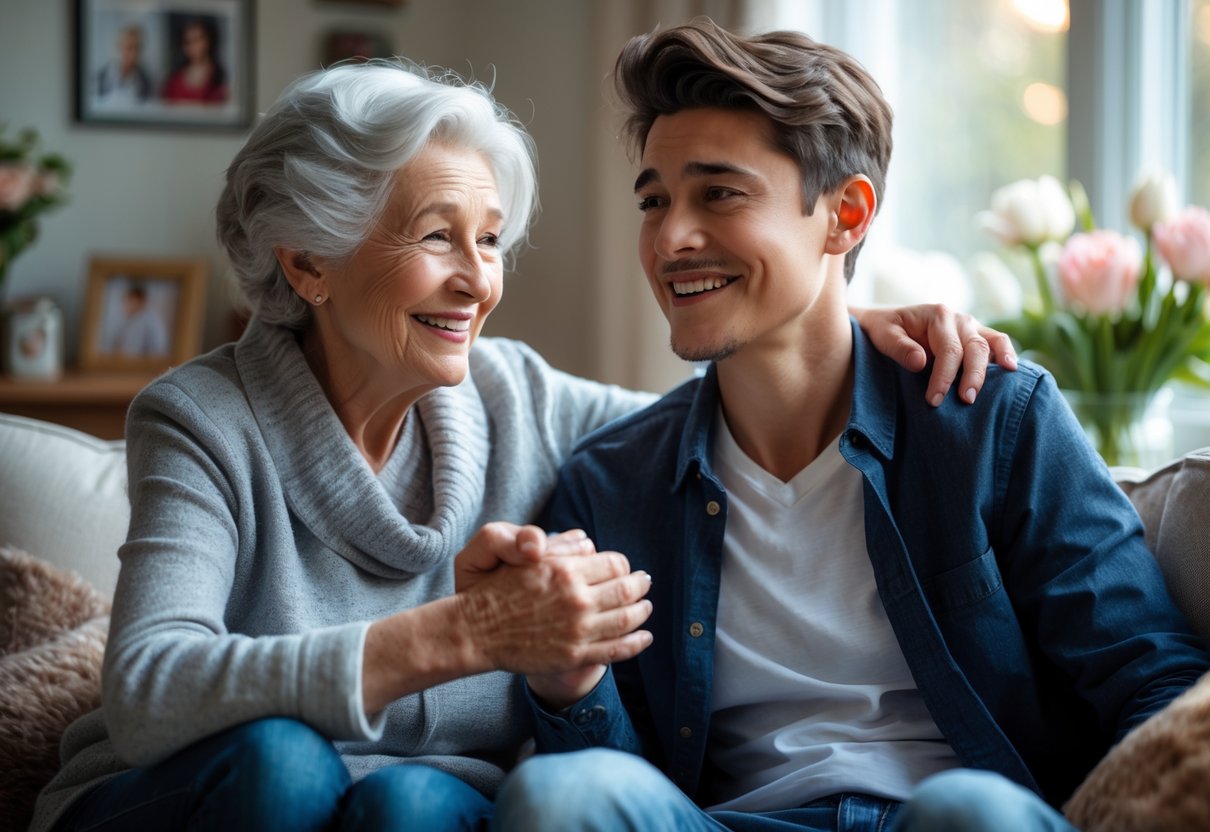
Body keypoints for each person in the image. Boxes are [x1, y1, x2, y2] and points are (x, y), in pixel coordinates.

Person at [33, 58, 1007, 832]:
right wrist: (461, 637)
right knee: (284, 761)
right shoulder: (203, 415)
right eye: (435, 237)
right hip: (201, 794)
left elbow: (726, 406)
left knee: (410, 800)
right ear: (308, 261)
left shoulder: (520, 398)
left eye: (489, 240)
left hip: (420, 805)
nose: (474, 281)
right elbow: (150, 691)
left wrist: (836, 313)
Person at [496, 18, 1210, 832]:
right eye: (653, 200)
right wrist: (567, 682)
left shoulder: (991, 421)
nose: (670, 238)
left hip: (955, 820)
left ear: (845, 215)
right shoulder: (609, 481)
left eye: (717, 193)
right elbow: (618, 782)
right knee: (562, 796)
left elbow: (1151, 679)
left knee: (967, 810)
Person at [161, 17, 228, 104]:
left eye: (198, 39)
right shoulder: (174, 81)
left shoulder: (221, 77)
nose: (193, 46)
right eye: (188, 41)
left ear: (208, 41)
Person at [103, 282, 170, 357]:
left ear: (141, 301)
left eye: (132, 301)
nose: (129, 304)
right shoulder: (122, 318)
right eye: (128, 300)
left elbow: (158, 348)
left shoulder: (152, 321)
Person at [95, 24, 153, 105]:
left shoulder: (146, 81)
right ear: (118, 46)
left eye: (137, 48)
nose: (134, 54)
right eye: (129, 47)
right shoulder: (101, 76)